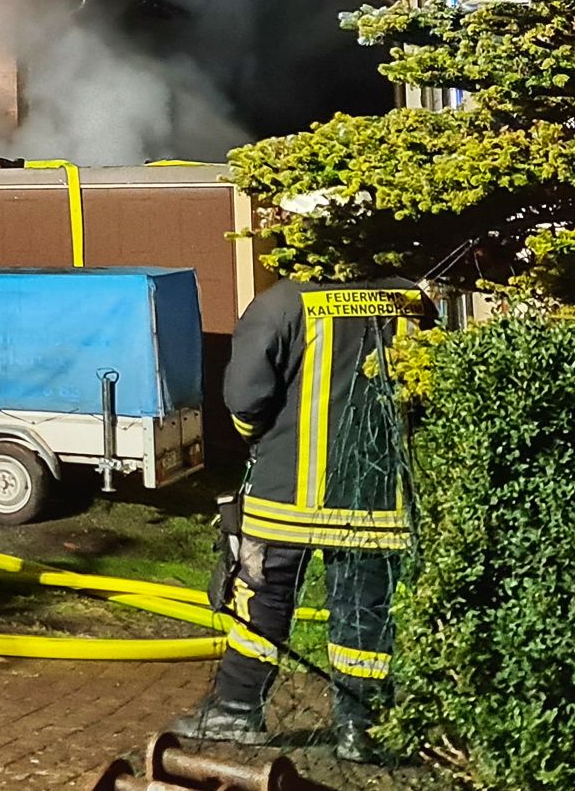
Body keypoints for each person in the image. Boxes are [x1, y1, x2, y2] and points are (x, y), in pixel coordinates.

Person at [171, 270, 428, 763]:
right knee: (365, 620)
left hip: (282, 500)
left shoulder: (282, 304)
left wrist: (264, 441)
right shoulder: (412, 305)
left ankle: (236, 709)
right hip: (374, 502)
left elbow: (245, 401)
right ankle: (363, 730)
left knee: (260, 602)